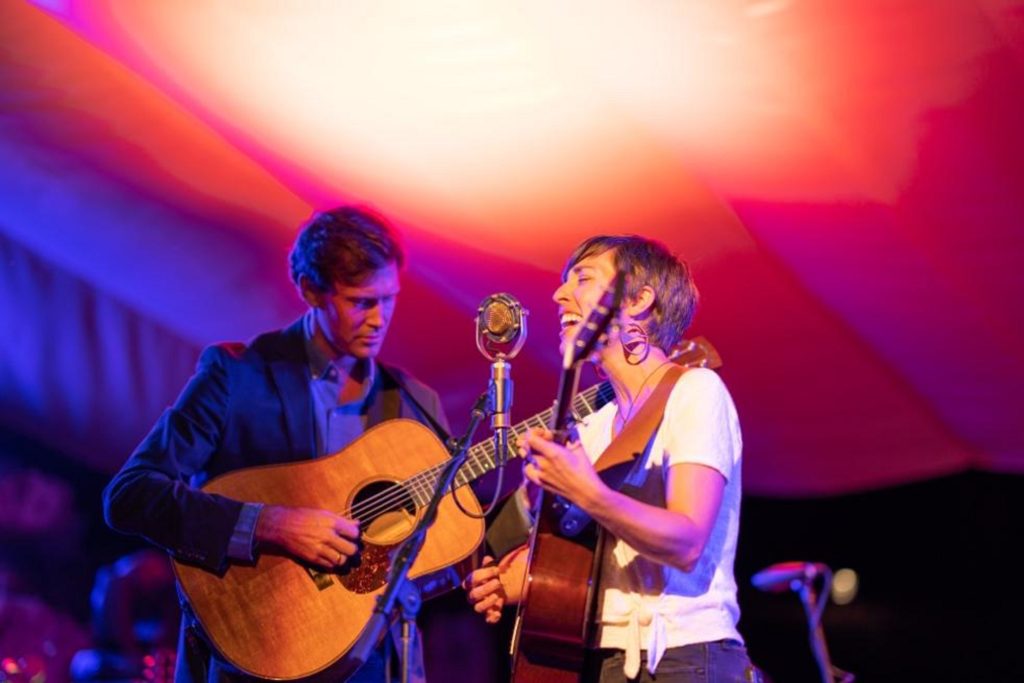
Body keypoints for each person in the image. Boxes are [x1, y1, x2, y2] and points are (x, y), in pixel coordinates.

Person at [103, 206, 450, 683]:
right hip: (252, 656)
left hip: (370, 664)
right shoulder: (237, 375)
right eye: (360, 302)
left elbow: (451, 548)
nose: (379, 319)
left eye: (389, 300)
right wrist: (268, 524)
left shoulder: (413, 403)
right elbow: (130, 495)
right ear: (311, 291)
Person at [464, 235, 758, 682]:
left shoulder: (694, 391)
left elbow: (687, 541)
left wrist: (587, 491)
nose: (559, 295)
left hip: (682, 657)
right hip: (604, 662)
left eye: (582, 279)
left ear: (640, 300)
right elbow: (591, 556)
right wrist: (518, 580)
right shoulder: (593, 429)